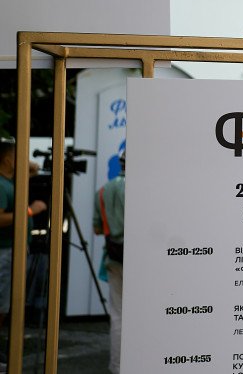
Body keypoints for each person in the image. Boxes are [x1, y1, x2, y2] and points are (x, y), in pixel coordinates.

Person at [0, 142, 48, 351]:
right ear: (7, 160)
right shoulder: (1, 185)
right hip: (4, 251)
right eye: (18, 156)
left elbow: (32, 171)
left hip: (13, 250)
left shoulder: (9, 182)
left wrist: (27, 167)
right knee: (2, 302)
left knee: (6, 301)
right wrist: (30, 211)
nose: (23, 160)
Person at [93, 152, 126, 373]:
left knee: (117, 315)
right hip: (140, 262)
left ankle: (117, 366)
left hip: (114, 257)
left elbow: (97, 229)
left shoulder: (103, 190)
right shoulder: (144, 189)